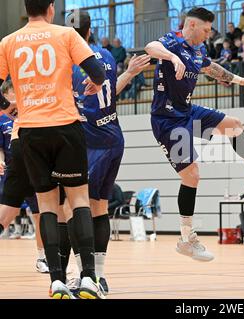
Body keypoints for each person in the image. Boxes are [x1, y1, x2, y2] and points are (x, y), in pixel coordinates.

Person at [144, 7, 244, 262]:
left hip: (187, 112)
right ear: (191, 25)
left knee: (234, 124)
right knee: (192, 176)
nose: (208, 34)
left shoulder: (199, 50)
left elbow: (211, 68)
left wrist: (239, 79)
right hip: (167, 120)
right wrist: (172, 58)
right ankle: (186, 239)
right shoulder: (172, 41)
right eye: (205, 30)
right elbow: (150, 47)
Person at [0, 0, 107, 299]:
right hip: (65, 126)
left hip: (30, 131)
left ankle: (57, 281)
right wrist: (95, 84)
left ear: (26, 9)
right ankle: (88, 278)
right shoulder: (65, 34)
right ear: (50, 8)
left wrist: (9, 108)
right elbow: (96, 71)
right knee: (78, 201)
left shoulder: (8, 42)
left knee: (47, 205)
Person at [69, 10, 151, 295]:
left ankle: (83, 275)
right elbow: (110, 90)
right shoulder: (105, 55)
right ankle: (100, 276)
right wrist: (129, 71)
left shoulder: (69, 64)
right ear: (90, 32)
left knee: (74, 208)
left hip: (91, 144)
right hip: (115, 138)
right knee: (99, 206)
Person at [0, 81, 49, 273]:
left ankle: (42, 257)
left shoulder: (31, 109)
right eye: (11, 94)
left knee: (40, 215)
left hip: (36, 168)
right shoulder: (3, 118)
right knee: (5, 216)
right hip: (16, 169)